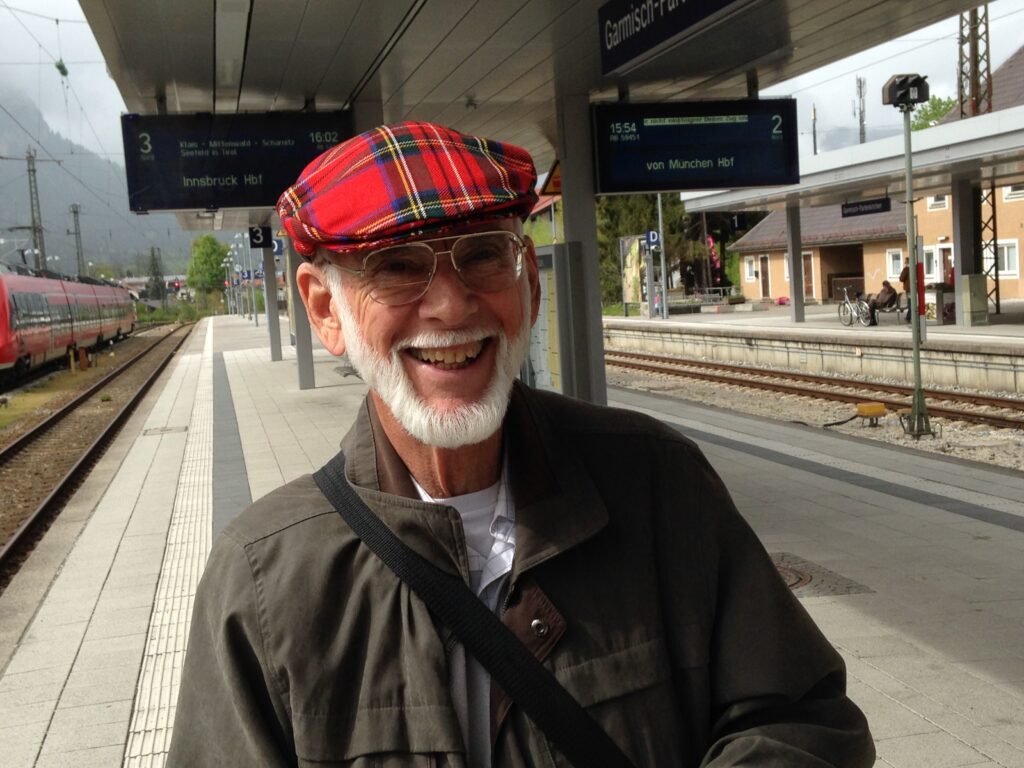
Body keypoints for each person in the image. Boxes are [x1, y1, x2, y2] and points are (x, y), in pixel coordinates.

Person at [168, 121, 874, 767]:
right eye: (398, 266)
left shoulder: (659, 485)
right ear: (326, 309)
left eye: (482, 256)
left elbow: (802, 720)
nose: (450, 306)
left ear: (529, 283)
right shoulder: (262, 585)